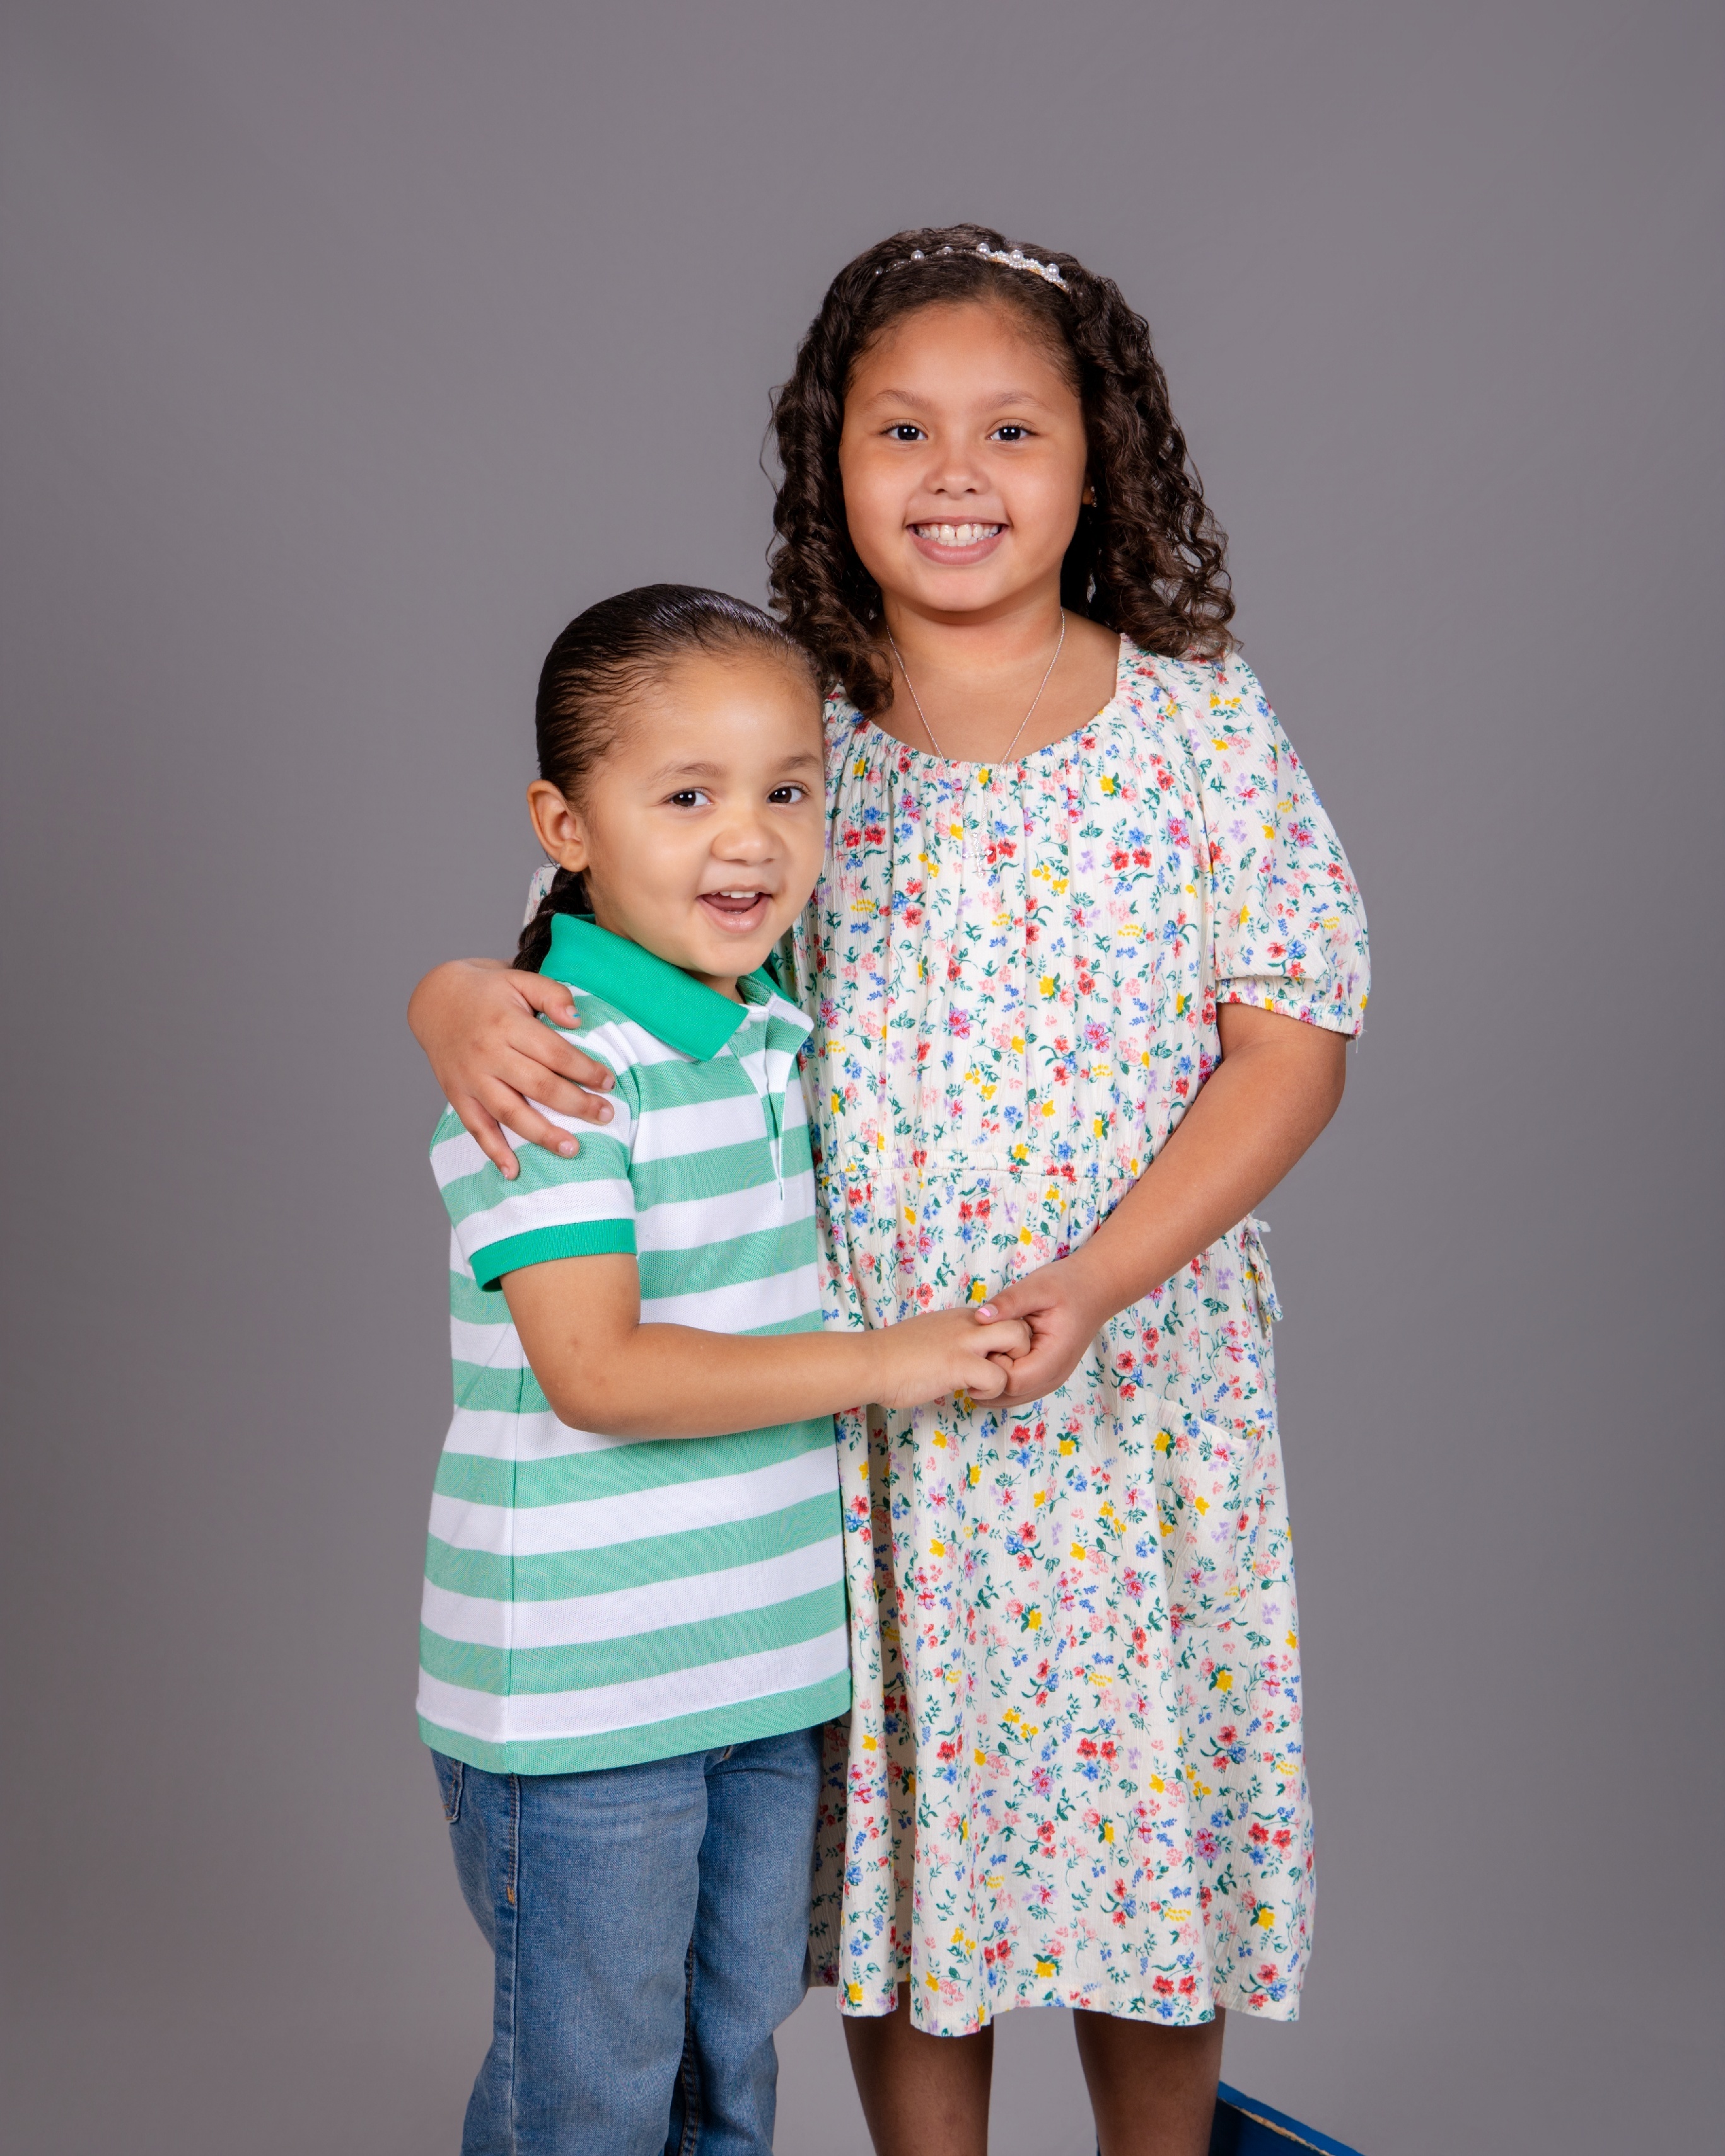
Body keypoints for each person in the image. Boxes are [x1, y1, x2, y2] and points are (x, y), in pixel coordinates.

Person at [410, 230, 1371, 2156]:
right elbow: (599, 947)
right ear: (828, 461)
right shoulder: (797, 728)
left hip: (1127, 1375)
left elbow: (1293, 1033)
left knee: (1139, 1815)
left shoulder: (1193, 719)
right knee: (906, 1855)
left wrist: (1096, 1280)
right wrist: (444, 992)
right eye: (903, 428)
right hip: (862, 1402)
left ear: (1098, 457)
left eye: (1012, 429)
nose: (956, 472)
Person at [419, 582, 1030, 2156]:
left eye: (788, 792)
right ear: (565, 826)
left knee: (725, 2076)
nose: (748, 841)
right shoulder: (550, 1071)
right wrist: (887, 1362)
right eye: (687, 798)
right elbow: (600, 1374)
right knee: (593, 2097)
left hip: (763, 1669)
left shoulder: (768, 1028)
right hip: (585, 1690)